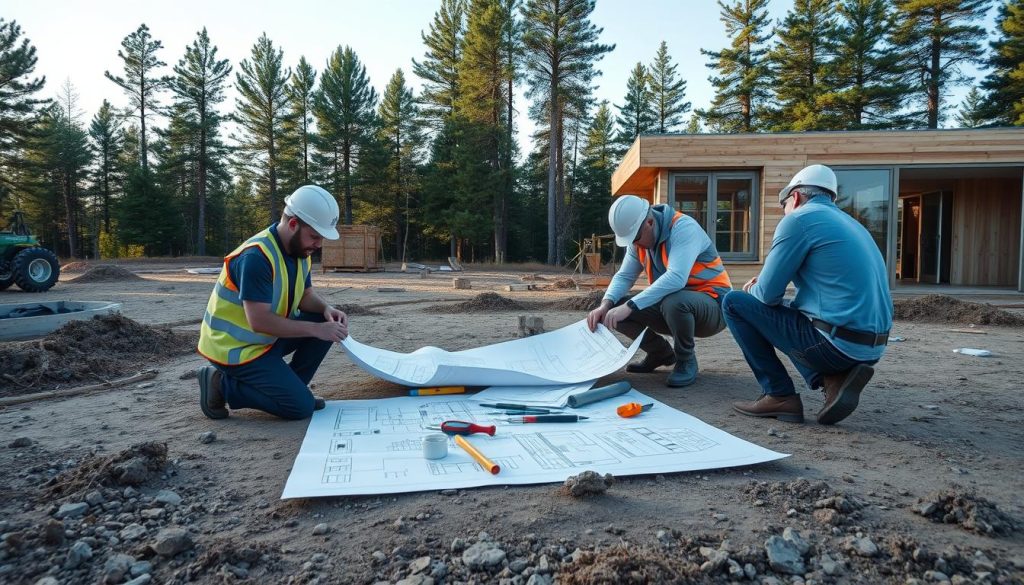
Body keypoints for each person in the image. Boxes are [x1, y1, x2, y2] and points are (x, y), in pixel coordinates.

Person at [723, 164, 892, 425]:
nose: (784, 210)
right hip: (872, 347)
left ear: (797, 197)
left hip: (837, 347)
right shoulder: (853, 224)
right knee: (792, 312)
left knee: (734, 302)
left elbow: (767, 296)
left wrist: (754, 287)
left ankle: (779, 394)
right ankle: (831, 380)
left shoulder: (798, 220)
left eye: (784, 204)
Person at [196, 185, 349, 420]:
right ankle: (219, 383)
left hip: (265, 340)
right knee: (299, 408)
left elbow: (305, 296)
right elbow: (259, 321)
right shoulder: (256, 257)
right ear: (293, 224)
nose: (318, 245)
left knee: (324, 321)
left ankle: (293, 390)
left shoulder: (300, 251)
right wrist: (318, 329)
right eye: (315, 236)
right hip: (235, 348)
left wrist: (326, 310)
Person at [586, 195, 733, 387]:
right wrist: (606, 305)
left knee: (673, 301)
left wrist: (631, 305)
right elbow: (624, 276)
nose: (635, 244)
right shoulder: (638, 240)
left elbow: (676, 278)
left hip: (714, 307)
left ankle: (686, 360)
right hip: (673, 306)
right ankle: (660, 353)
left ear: (649, 222)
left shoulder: (683, 229)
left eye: (636, 238)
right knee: (616, 309)